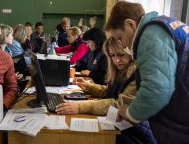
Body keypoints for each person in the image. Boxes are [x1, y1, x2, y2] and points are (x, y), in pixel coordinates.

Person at [105, 1, 188, 143]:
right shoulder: (164, 26)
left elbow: (156, 90)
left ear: (131, 24)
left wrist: (130, 113)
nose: (123, 44)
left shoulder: (151, 34)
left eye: (120, 37)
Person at [56, 37, 156, 144]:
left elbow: (119, 105)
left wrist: (80, 106)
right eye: (112, 55)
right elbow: (109, 91)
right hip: (124, 127)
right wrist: (89, 87)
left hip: (137, 134)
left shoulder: (137, 74)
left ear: (130, 52)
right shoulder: (121, 71)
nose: (117, 60)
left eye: (121, 54)